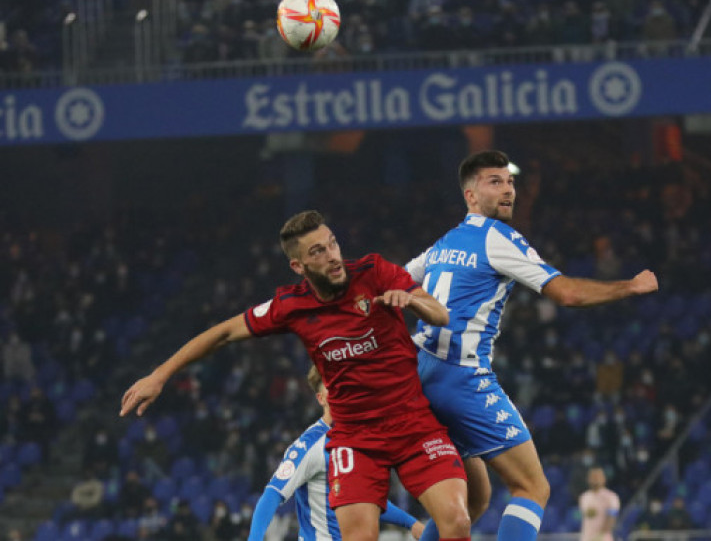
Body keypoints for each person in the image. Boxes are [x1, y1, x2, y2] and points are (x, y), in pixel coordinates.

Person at [121, 210, 470, 541]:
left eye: (332, 243)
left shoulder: (375, 272)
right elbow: (223, 333)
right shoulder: (291, 306)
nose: (332, 256)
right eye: (318, 251)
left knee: (456, 519)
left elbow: (440, 314)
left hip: (412, 422)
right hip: (355, 439)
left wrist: (412, 302)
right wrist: (160, 374)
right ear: (298, 265)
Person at [405, 150, 659, 541]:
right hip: (460, 378)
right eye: (495, 182)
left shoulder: (445, 242)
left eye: (510, 182)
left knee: (472, 502)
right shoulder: (500, 239)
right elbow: (568, 294)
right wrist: (631, 286)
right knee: (532, 487)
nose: (508, 190)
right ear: (471, 195)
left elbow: (399, 281)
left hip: (419, 373)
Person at [249, 365, 426, 540]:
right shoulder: (309, 445)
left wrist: (411, 523)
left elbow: (365, 501)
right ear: (321, 399)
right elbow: (272, 494)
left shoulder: (359, 439)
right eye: (331, 388)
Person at [579, 467, 619, 541]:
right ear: (588, 479)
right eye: (593, 477)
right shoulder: (584, 497)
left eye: (598, 477)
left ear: (604, 479)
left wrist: (600, 536)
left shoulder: (611, 497)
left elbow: (611, 518)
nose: (595, 479)